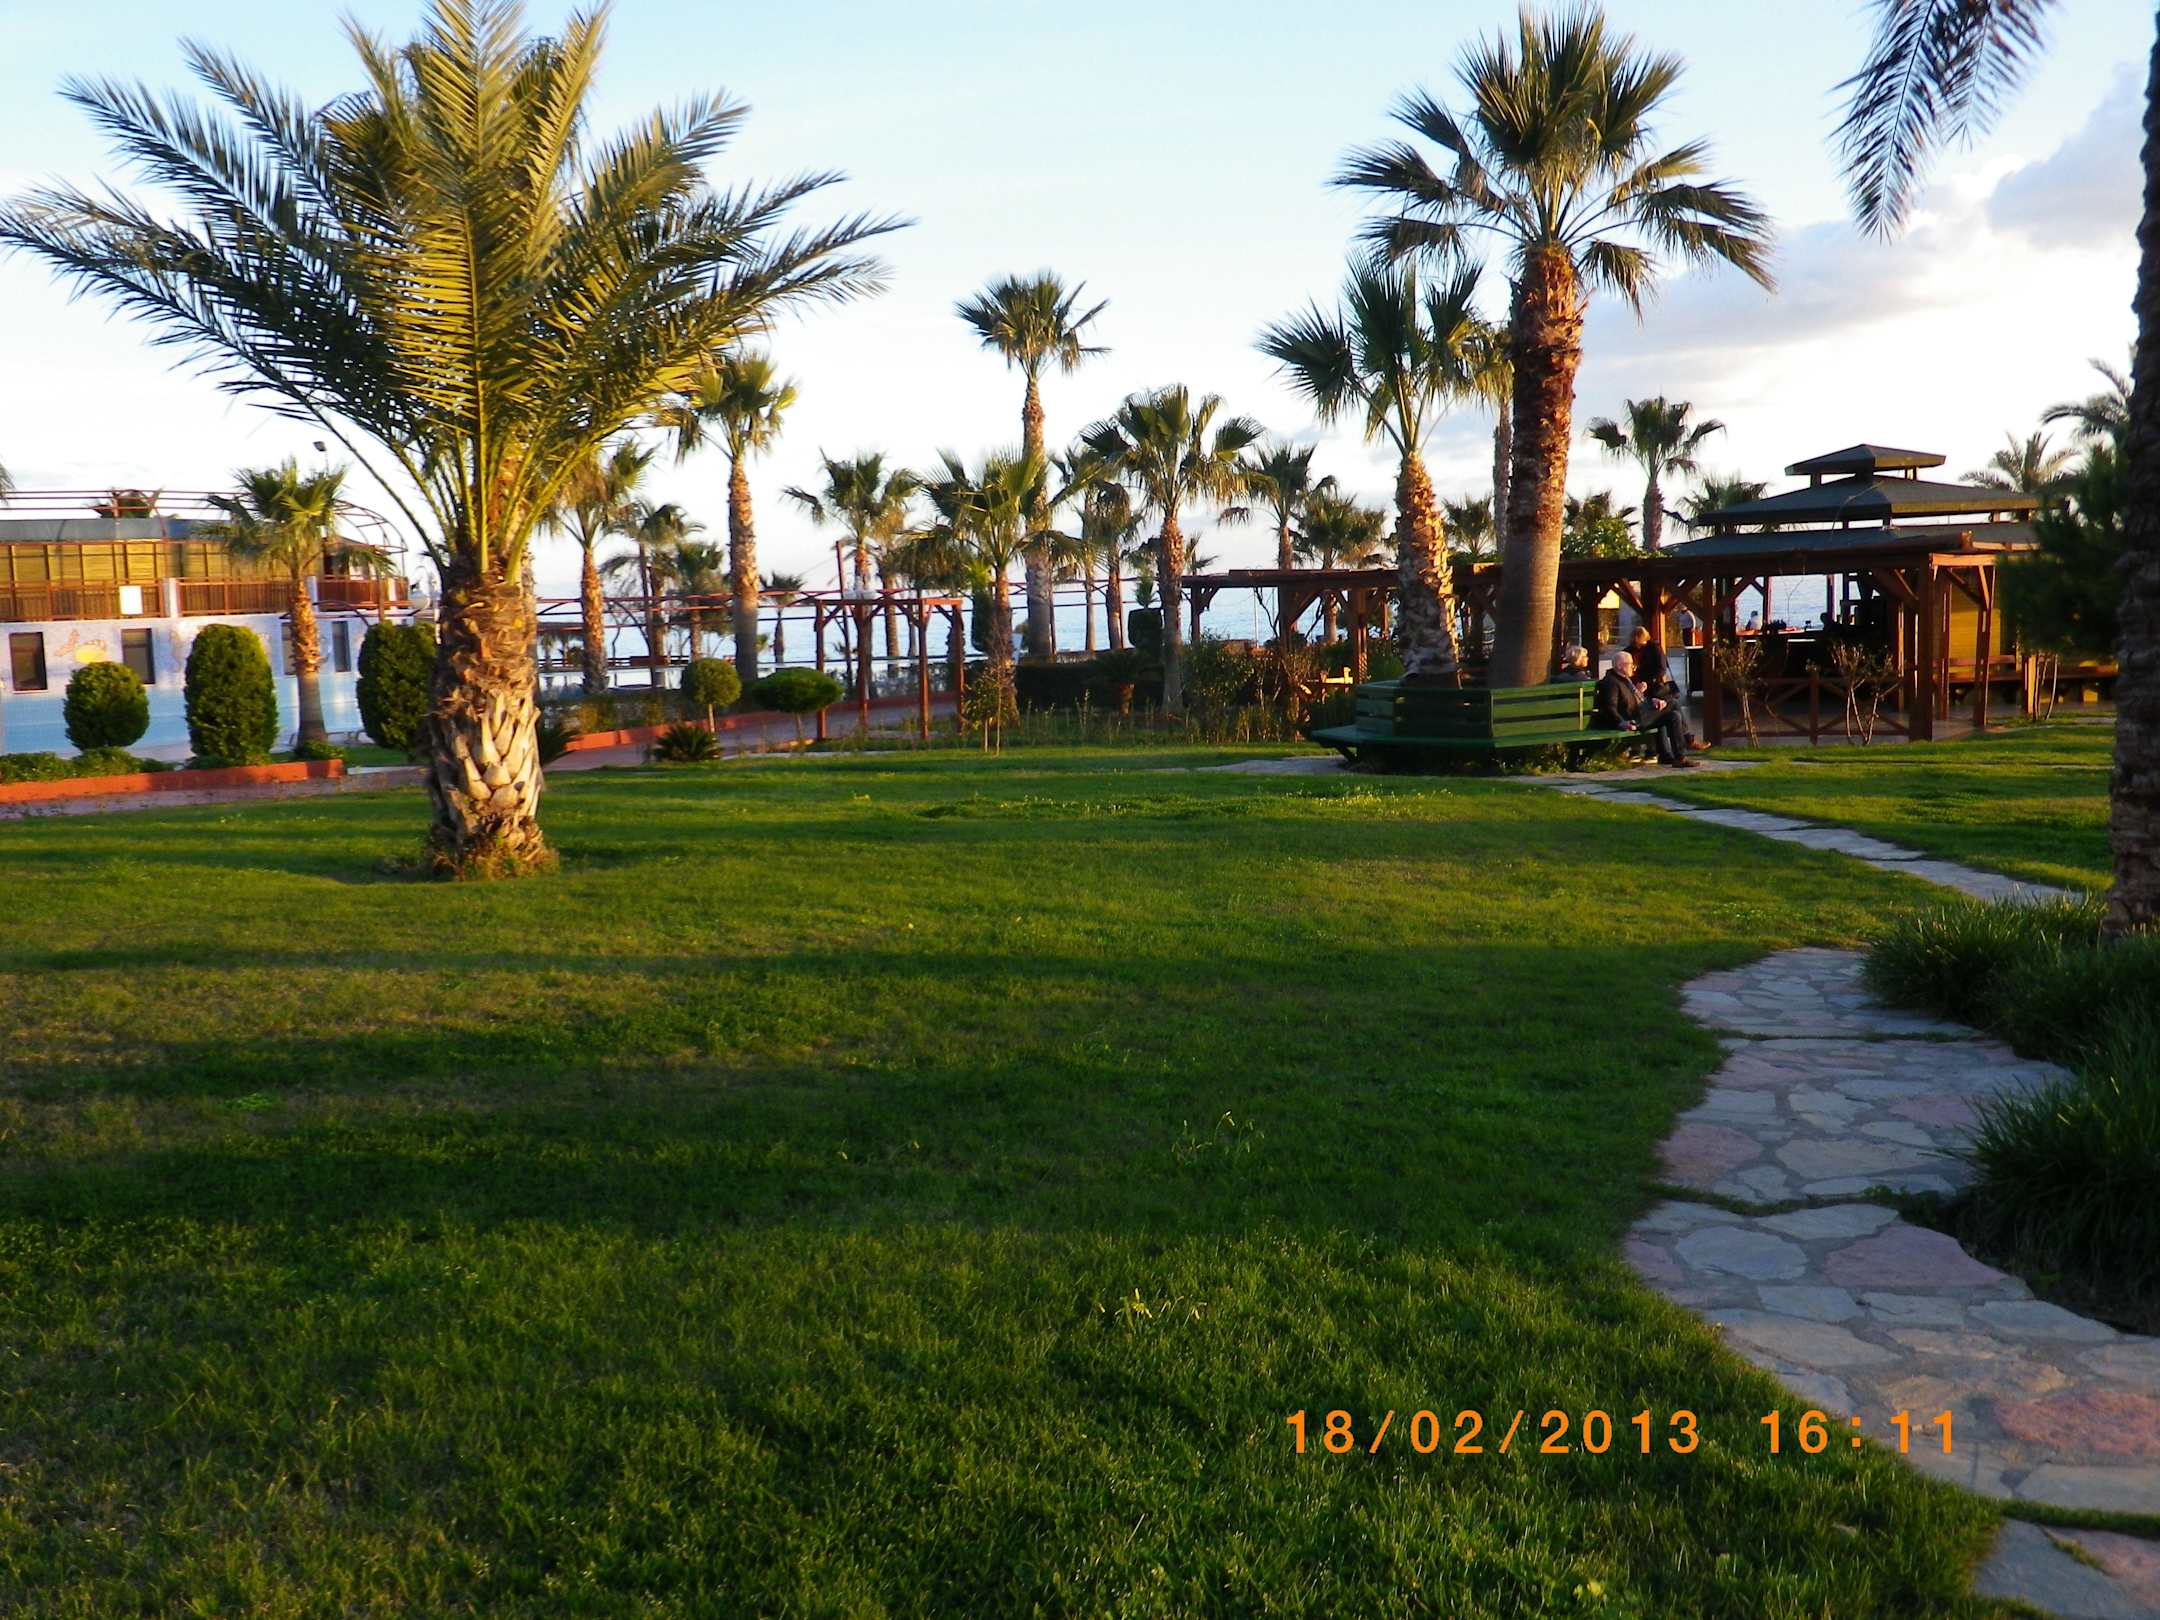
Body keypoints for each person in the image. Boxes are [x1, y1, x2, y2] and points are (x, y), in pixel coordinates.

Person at [1597, 650, 1696, 767]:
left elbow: (1632, 699)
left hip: (1639, 713)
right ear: (1619, 666)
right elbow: (1610, 706)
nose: (1633, 667)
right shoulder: (1612, 682)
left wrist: (1652, 701)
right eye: (1630, 664)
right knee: (1672, 703)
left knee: (1674, 716)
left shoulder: (1623, 678)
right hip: (1633, 719)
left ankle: (1667, 755)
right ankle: (1687, 741)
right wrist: (1621, 722)